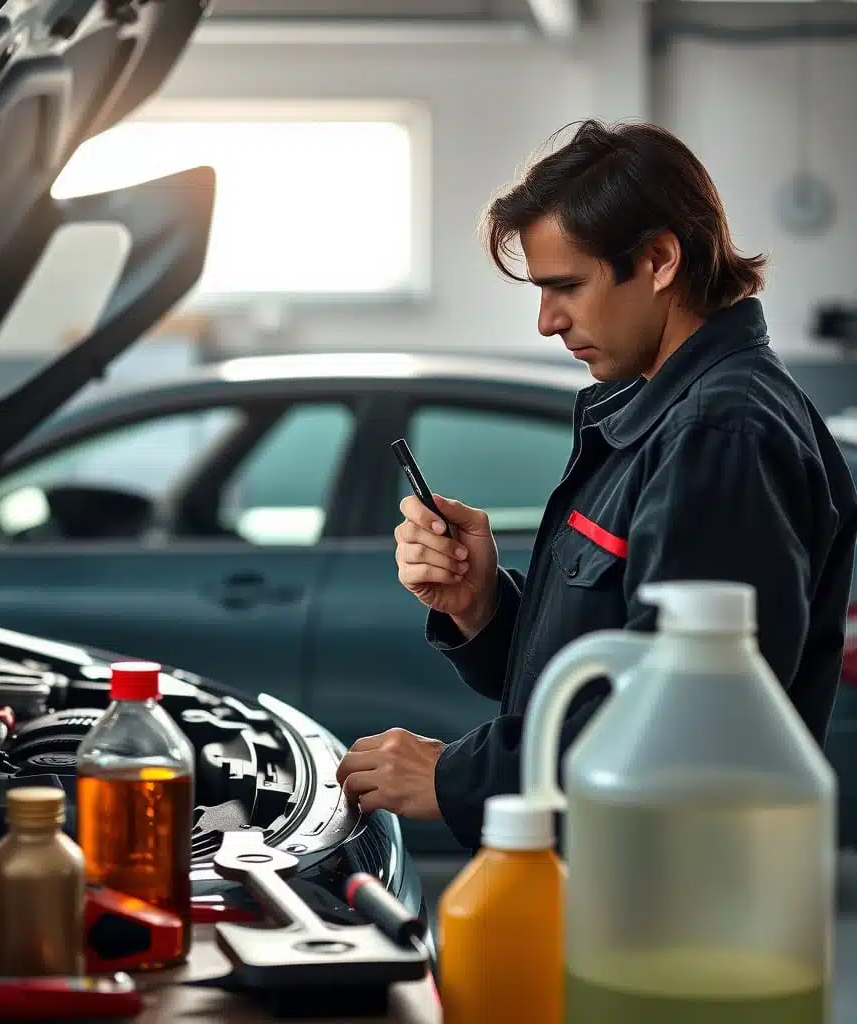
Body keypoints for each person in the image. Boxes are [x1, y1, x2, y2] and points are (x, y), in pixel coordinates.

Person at [335, 119, 857, 850]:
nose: (548, 321)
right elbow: (610, 669)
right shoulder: (659, 415)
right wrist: (485, 607)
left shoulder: (722, 433)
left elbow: (687, 720)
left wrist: (459, 775)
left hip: (672, 903)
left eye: (566, 287)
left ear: (658, 260)